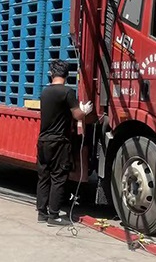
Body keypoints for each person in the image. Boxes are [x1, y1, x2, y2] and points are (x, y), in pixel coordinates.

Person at [36, 59, 93, 226]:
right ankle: (54, 216)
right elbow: (76, 115)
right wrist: (84, 110)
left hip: (43, 141)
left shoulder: (45, 92)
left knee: (43, 177)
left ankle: (42, 213)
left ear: (51, 74)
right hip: (59, 142)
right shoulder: (67, 92)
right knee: (58, 178)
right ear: (67, 75)